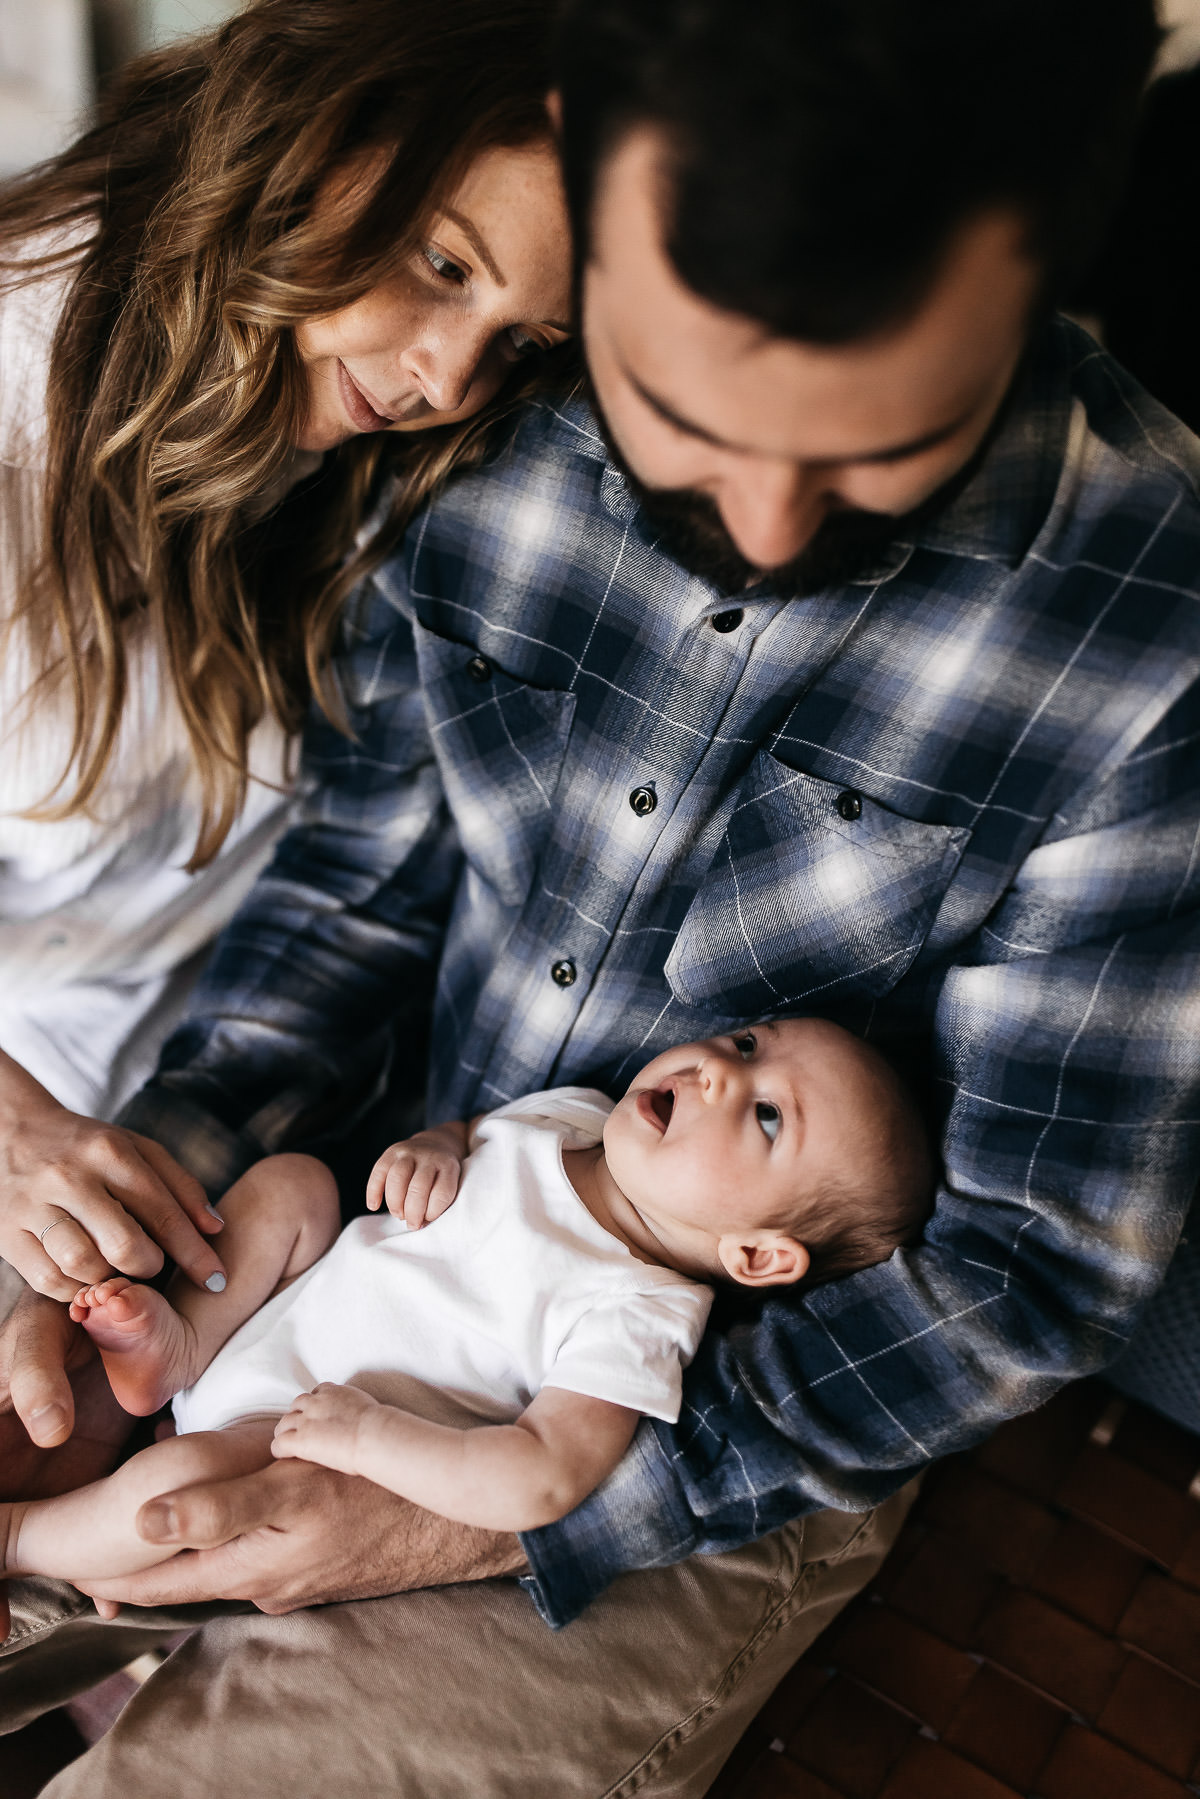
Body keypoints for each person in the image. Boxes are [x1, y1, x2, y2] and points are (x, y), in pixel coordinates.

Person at [5, 1, 1199, 1795]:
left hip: (690, 1422)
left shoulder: (1149, 626)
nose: (773, 530)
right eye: (690, 417)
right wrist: (134, 1224)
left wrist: (477, 1517)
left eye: (888, 453)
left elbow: (1025, 1267)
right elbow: (350, 900)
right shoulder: (486, 416)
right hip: (350, 1215)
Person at [0, 0, 572, 1306]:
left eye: (522, 341)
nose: (448, 378)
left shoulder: (350, 436)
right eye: (441, 263)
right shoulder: (20, 403)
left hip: (226, 1074)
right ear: (320, 132)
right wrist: (14, 1136)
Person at [1, 1019, 930, 1578]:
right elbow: (472, 1130)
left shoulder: (639, 1314)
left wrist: (368, 1437)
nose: (722, 1070)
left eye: (767, 1115)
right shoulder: (572, 1115)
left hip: (285, 1426)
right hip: (268, 1310)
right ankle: (182, 1343)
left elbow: (541, 1475)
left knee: (173, 1490)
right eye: (746, 1042)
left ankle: (22, 1541)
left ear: (759, 1255)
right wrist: (438, 1146)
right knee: (294, 1186)